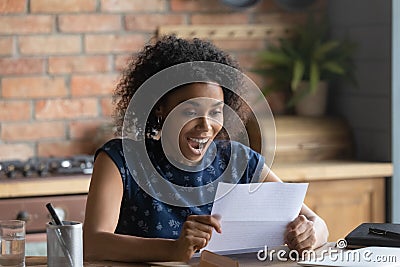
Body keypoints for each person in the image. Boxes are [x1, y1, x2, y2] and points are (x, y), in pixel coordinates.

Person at [83, 35, 329, 263]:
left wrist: (311, 234)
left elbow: (318, 223)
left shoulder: (239, 161)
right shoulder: (121, 160)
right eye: (190, 112)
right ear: (160, 108)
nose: (206, 125)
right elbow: (93, 242)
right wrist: (174, 250)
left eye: (215, 112)